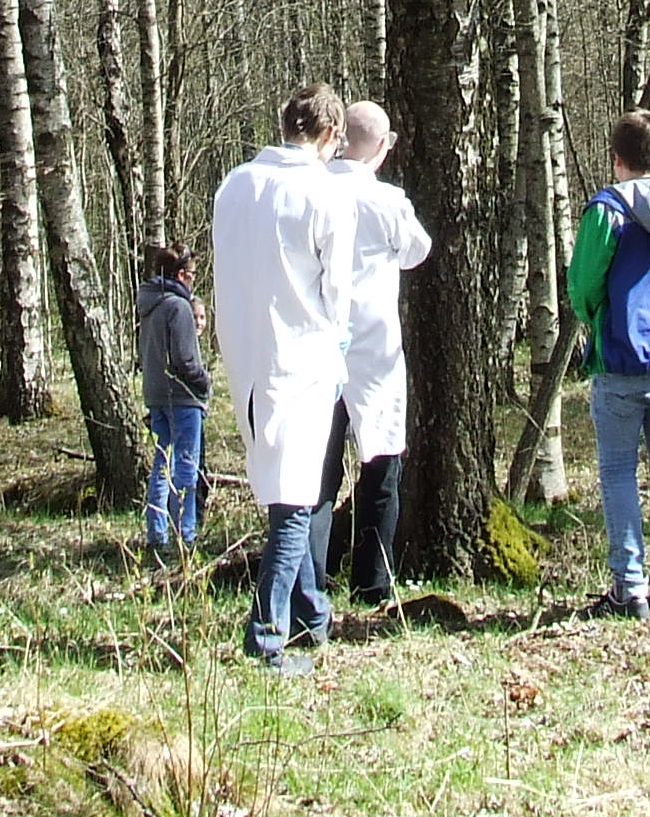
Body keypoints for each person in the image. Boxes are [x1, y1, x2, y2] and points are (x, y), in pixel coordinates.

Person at [211, 83, 357, 673]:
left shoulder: (234, 185)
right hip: (302, 356)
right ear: (330, 134)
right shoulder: (325, 193)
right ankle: (267, 636)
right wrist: (340, 340)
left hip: (246, 355)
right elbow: (337, 291)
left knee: (281, 489)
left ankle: (312, 612)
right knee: (295, 501)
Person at [565, 110, 650, 617]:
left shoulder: (607, 210)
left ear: (617, 158)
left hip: (622, 356)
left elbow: (583, 284)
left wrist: (596, 318)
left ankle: (629, 586)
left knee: (618, 471)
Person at [317, 101, 432, 604]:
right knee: (381, 463)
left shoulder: (314, 189)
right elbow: (417, 250)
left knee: (317, 469)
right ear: (383, 146)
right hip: (374, 348)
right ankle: (372, 583)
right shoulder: (387, 202)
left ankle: (310, 579)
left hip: (319, 342)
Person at [136, 242, 211, 556]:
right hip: (182, 396)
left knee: (162, 465)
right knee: (185, 467)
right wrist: (204, 381)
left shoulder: (149, 305)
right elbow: (185, 359)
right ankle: (186, 535)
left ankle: (157, 533)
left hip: (156, 394)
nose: (193, 279)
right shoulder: (178, 307)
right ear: (181, 275)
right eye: (192, 274)